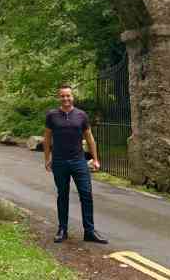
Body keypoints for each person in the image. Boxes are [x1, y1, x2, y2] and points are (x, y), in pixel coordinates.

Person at [44, 85, 109, 244]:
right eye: (62, 96)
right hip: (59, 161)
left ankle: (89, 231)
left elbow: (90, 138)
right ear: (59, 97)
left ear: (72, 97)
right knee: (62, 195)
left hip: (79, 161)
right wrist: (47, 159)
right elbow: (47, 139)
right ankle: (62, 230)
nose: (66, 98)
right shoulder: (52, 116)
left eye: (68, 95)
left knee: (86, 194)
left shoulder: (81, 115)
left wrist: (95, 159)